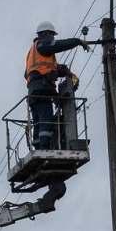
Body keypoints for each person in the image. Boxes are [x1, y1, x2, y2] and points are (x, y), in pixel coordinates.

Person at [25, 21, 91, 150]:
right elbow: (59, 45)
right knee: (46, 121)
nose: (53, 38)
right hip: (42, 89)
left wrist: (61, 71)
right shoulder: (43, 44)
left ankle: (38, 148)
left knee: (38, 122)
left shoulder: (33, 52)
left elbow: (37, 70)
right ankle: (44, 149)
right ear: (45, 33)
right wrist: (77, 41)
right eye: (51, 35)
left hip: (33, 91)